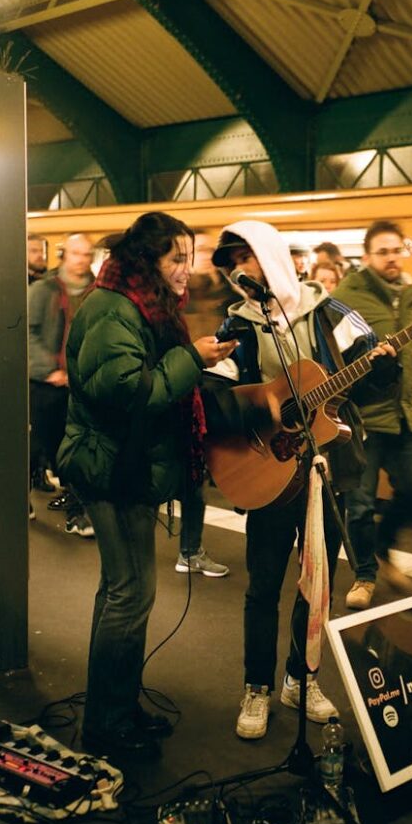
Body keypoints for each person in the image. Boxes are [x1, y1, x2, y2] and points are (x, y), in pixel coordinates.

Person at [57, 211, 255, 758]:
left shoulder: (137, 304)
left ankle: (118, 705)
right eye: (176, 259)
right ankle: (106, 724)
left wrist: (193, 359)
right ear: (148, 261)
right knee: (129, 595)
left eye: (188, 258)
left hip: (127, 464)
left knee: (125, 593)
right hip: (112, 467)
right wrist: (193, 357)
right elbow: (131, 390)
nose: (185, 271)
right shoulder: (112, 309)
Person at [209, 220, 396, 740]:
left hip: (330, 467)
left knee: (318, 585)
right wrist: (265, 406)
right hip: (270, 470)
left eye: (245, 256)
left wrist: (384, 367)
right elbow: (216, 400)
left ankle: (301, 677)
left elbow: (375, 375)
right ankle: (256, 687)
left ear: (269, 258)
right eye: (232, 262)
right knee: (264, 585)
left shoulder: (329, 312)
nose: (238, 270)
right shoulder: (238, 327)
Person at [332, 219, 412, 610]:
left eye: (397, 250)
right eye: (383, 251)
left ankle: (384, 546)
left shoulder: (411, 294)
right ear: (366, 257)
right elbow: (331, 352)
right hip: (363, 418)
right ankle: (365, 575)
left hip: (405, 415)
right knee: (359, 504)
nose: (392, 258)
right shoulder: (347, 295)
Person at [176, 231, 240, 578]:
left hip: (219, 391)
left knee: (200, 472)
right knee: (192, 474)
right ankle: (189, 550)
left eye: (205, 250)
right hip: (187, 392)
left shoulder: (229, 294)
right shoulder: (177, 297)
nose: (200, 257)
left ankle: (190, 548)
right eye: (194, 251)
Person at [28, 233, 95, 533]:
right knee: (45, 443)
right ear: (64, 255)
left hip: (80, 384)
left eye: (87, 254)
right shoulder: (44, 290)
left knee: (77, 449)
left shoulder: (97, 291)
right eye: (77, 253)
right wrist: (49, 369)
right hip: (47, 384)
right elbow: (26, 333)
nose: (82, 259)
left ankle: (80, 511)